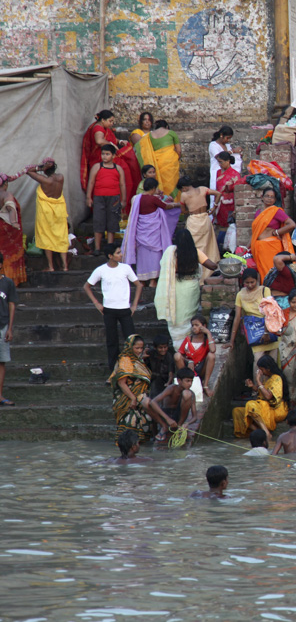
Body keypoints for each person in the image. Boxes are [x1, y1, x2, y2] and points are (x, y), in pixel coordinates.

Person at [154, 230, 217, 348]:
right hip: (190, 289)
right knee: (188, 316)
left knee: (176, 315)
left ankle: (179, 347)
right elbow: (212, 266)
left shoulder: (171, 252)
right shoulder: (195, 252)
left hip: (176, 289)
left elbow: (164, 266)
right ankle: (189, 346)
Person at [111, 335, 177, 442]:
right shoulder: (125, 360)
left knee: (148, 407)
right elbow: (122, 383)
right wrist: (133, 398)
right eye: (136, 348)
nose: (139, 350)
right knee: (146, 404)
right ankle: (164, 426)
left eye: (141, 348)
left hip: (141, 393)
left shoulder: (139, 359)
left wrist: (142, 357)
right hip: (127, 396)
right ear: (129, 347)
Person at [85, 243, 140, 371]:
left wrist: (134, 304)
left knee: (131, 339)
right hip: (108, 310)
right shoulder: (101, 270)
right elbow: (87, 286)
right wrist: (97, 303)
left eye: (120, 252)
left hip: (125, 309)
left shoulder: (126, 268)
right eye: (118, 253)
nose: (121, 255)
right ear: (110, 256)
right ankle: (114, 370)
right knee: (112, 342)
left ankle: (132, 369)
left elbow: (138, 285)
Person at [123, 176, 182, 284]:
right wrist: (178, 204)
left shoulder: (135, 199)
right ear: (154, 188)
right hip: (153, 232)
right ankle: (153, 280)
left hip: (141, 232)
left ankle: (142, 278)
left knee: (142, 255)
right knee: (155, 254)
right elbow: (165, 207)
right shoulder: (153, 199)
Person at [81, 109, 140, 197]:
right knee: (125, 172)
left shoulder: (104, 128)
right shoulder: (98, 128)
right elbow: (99, 141)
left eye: (113, 121)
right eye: (110, 121)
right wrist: (112, 145)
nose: (112, 124)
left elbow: (110, 139)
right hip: (102, 158)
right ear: (103, 120)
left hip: (108, 157)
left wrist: (119, 141)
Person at [26, 159, 69, 272]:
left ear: (45, 169)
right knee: (61, 237)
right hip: (59, 210)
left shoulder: (45, 181)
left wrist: (39, 168)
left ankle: (51, 267)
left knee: (47, 237)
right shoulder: (61, 177)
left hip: (46, 212)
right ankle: (65, 266)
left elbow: (28, 171)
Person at [229, 268, 279, 362]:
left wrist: (266, 332)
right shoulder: (240, 295)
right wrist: (231, 341)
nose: (250, 285)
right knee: (258, 361)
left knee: (272, 363)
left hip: (268, 328)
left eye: (252, 282)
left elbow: (270, 313)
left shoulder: (265, 290)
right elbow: (237, 318)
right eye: (247, 283)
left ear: (257, 280)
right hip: (254, 331)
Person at [233, 355, 288, 440]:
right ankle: (259, 432)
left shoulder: (277, 378)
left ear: (268, 369)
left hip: (276, 409)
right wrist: (252, 386)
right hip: (264, 406)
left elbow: (268, 396)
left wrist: (258, 381)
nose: (260, 372)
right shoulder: (267, 378)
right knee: (237, 411)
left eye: (261, 369)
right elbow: (262, 392)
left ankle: (267, 433)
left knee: (251, 405)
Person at [177, 177, 222, 280]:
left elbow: (183, 211)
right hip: (205, 218)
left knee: (194, 247)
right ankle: (208, 273)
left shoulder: (184, 195)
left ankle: (196, 274)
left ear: (183, 187)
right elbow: (218, 193)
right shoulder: (203, 189)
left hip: (193, 220)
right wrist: (214, 206)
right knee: (207, 246)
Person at [85, 143, 127, 255]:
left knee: (112, 223)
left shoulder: (118, 169)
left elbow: (122, 184)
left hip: (114, 198)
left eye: (107, 154)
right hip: (99, 198)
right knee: (99, 222)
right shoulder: (97, 167)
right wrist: (89, 197)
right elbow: (91, 182)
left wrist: (124, 200)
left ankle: (110, 247)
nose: (104, 156)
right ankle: (97, 248)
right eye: (103, 154)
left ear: (113, 156)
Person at [249, 187, 294, 281]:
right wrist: (246, 248)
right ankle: (267, 295)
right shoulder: (258, 213)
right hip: (259, 248)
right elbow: (255, 234)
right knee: (263, 276)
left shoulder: (276, 211)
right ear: (262, 197)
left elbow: (292, 224)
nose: (269, 198)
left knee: (272, 274)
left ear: (275, 200)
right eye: (267, 196)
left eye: (272, 197)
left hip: (272, 248)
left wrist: (276, 232)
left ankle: (276, 294)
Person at [136, 120, 181, 195]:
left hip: (157, 164)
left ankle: (160, 201)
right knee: (172, 184)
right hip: (170, 164)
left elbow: (145, 149)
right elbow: (179, 151)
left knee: (159, 182)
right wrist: (175, 159)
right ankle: (172, 203)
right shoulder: (171, 133)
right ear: (166, 127)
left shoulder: (149, 135)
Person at [152, 368, 197, 441]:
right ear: (179, 381)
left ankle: (179, 426)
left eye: (191, 381)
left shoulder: (191, 394)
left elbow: (195, 417)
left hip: (178, 418)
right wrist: (168, 419)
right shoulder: (171, 388)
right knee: (145, 402)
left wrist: (187, 423)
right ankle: (164, 427)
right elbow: (153, 402)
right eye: (187, 381)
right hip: (166, 416)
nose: (190, 384)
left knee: (187, 394)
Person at [174, 315, 216, 393]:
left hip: (201, 368)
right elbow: (180, 355)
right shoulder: (189, 339)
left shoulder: (207, 340)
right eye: (193, 325)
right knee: (177, 356)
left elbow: (213, 350)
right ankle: (184, 382)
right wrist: (189, 361)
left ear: (204, 326)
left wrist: (208, 333)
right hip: (189, 368)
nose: (194, 327)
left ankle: (205, 385)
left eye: (197, 325)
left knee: (211, 356)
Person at [208, 126, 243, 197]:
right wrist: (233, 151)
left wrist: (238, 155)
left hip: (227, 173)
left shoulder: (227, 145)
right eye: (227, 138)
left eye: (230, 138)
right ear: (221, 135)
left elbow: (229, 157)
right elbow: (219, 156)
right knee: (216, 192)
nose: (228, 140)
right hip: (217, 172)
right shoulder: (213, 145)